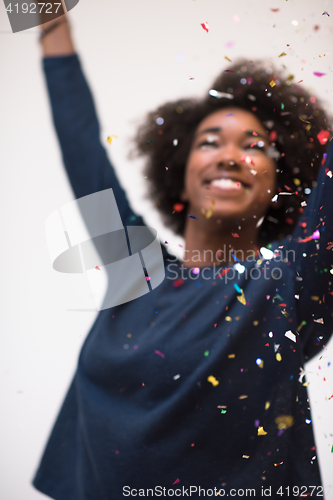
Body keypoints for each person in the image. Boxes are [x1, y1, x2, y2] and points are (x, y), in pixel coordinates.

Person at [33, 9, 333, 500]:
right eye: (210, 141)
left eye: (254, 146)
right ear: (181, 169)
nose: (229, 155)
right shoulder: (136, 268)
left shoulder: (289, 282)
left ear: (280, 182)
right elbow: (79, 140)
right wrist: (43, 16)